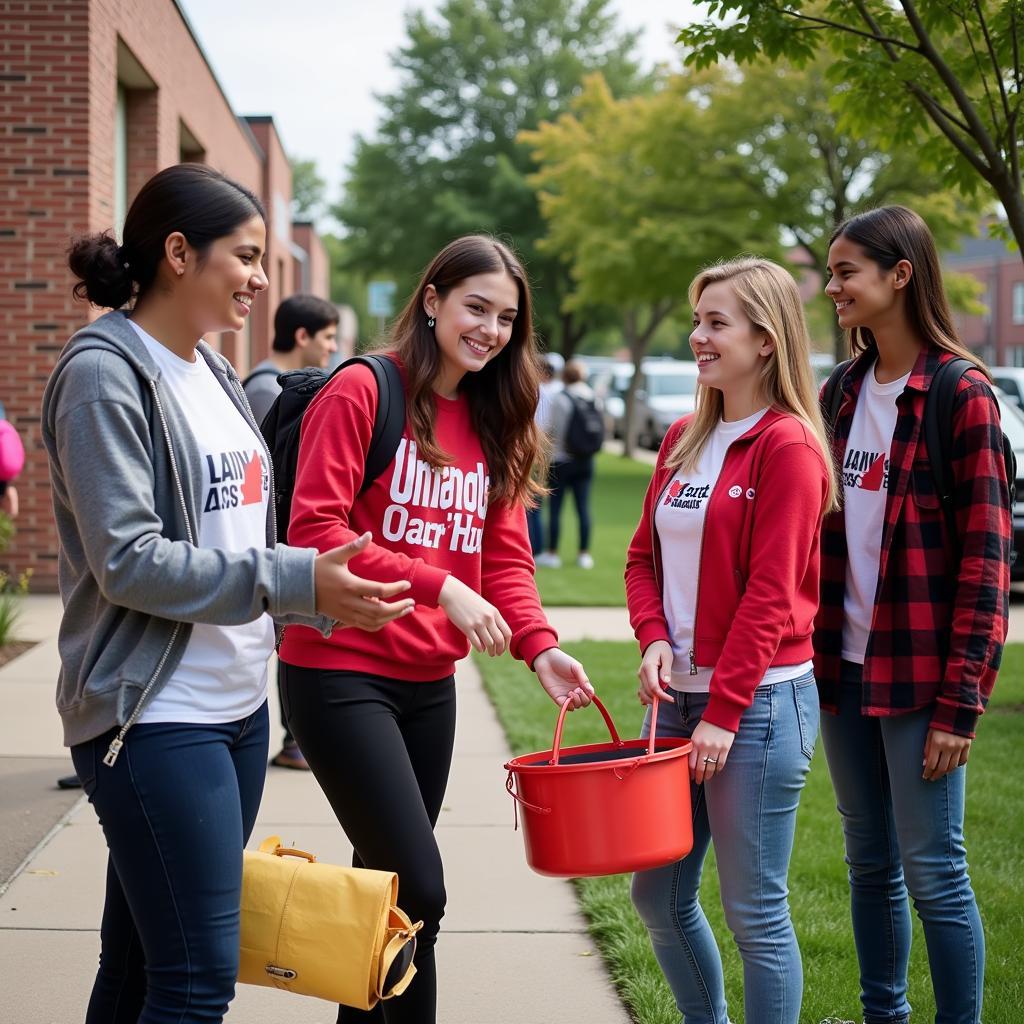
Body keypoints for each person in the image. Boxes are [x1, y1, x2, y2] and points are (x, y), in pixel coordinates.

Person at [42, 163, 415, 1024]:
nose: (259, 279)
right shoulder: (105, 376)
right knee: (198, 978)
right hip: (154, 716)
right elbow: (129, 560)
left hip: (238, 710)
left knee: (140, 963)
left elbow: (240, 536)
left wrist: (318, 588)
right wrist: (292, 578)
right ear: (179, 253)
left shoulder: (210, 369)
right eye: (245, 257)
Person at [278, 234, 595, 1024]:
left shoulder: (494, 415)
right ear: (432, 301)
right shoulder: (364, 389)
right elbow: (314, 529)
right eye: (475, 307)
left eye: (507, 318)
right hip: (338, 670)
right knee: (420, 888)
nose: (489, 329)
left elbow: (508, 559)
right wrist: (439, 584)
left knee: (383, 893)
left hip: (428, 685)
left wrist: (540, 646)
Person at [625, 257, 836, 1024]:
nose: (698, 337)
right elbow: (641, 557)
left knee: (755, 912)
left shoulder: (789, 448)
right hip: (679, 701)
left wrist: (723, 708)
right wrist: (653, 638)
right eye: (698, 321)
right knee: (658, 895)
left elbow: (771, 596)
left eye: (717, 323)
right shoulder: (684, 435)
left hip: (758, 708)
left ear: (767, 340)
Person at [815, 205, 1010, 1024]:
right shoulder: (841, 390)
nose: (832, 288)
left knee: (935, 871)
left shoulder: (962, 396)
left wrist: (961, 705)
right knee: (869, 864)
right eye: (830, 272)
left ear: (901, 275)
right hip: (844, 668)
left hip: (922, 675)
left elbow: (988, 565)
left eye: (846, 272)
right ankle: (882, 1015)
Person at [243, 292, 340, 771]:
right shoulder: (269, 390)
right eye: (326, 337)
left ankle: (292, 739)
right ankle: (293, 740)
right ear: (301, 335)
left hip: (279, 546)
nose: (331, 347)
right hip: (275, 543)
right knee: (286, 635)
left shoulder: (266, 383)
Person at [243, 292, 340, 424]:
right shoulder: (267, 390)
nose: (334, 348)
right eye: (328, 337)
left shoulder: (277, 386)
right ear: (303, 337)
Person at [538, 358, 598, 569]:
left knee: (555, 509)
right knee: (583, 508)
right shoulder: (592, 397)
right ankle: (584, 554)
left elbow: (551, 431)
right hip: (586, 461)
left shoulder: (559, 398)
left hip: (561, 460)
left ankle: (552, 553)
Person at [527, 353, 563, 557]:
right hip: (546, 451)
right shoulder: (556, 393)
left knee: (531, 502)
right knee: (537, 501)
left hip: (533, 448)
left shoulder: (538, 391)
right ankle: (538, 547)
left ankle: (534, 545)